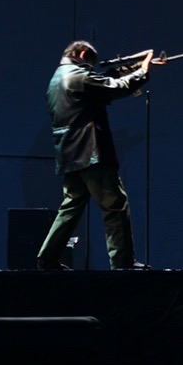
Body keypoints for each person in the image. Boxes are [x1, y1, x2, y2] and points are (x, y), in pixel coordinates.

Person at [36, 40, 149, 271]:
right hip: (91, 153)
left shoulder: (56, 81)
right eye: (90, 64)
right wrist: (144, 70)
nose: (91, 70)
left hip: (69, 156)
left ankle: (46, 258)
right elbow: (115, 87)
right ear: (82, 53)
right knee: (115, 206)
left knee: (70, 208)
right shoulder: (78, 76)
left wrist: (129, 70)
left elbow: (97, 92)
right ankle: (122, 263)